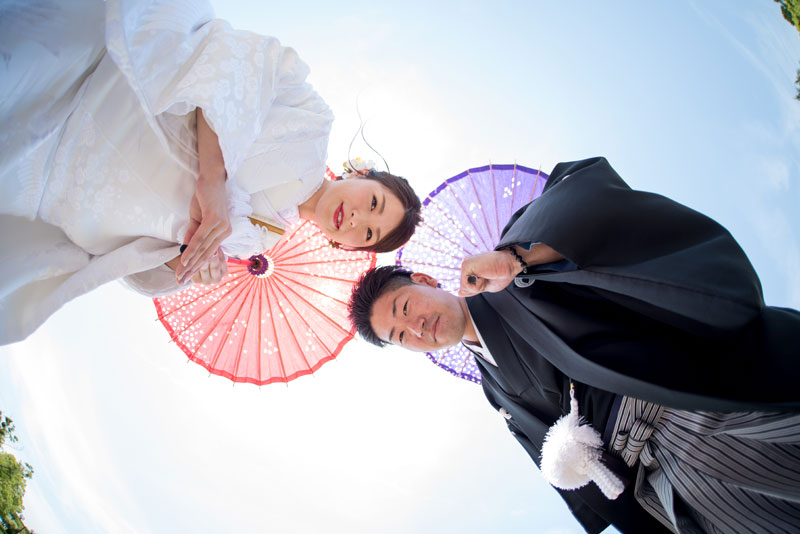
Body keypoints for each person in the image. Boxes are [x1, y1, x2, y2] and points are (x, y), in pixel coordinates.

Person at [348, 157, 800, 534]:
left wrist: (519, 257)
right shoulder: (492, 388)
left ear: (425, 280)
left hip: (693, 408)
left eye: (405, 308)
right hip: (661, 485)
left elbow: (583, 195)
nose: (417, 327)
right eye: (401, 335)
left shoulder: (509, 272)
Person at [0, 0, 422, 345]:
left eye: (367, 233)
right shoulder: (312, 120)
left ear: (343, 245)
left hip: (65, 194)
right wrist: (213, 178)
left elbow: (140, 274)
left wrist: (189, 266)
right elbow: (238, 57)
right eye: (373, 202)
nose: (357, 218)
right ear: (361, 174)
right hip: (108, 97)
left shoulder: (258, 239)